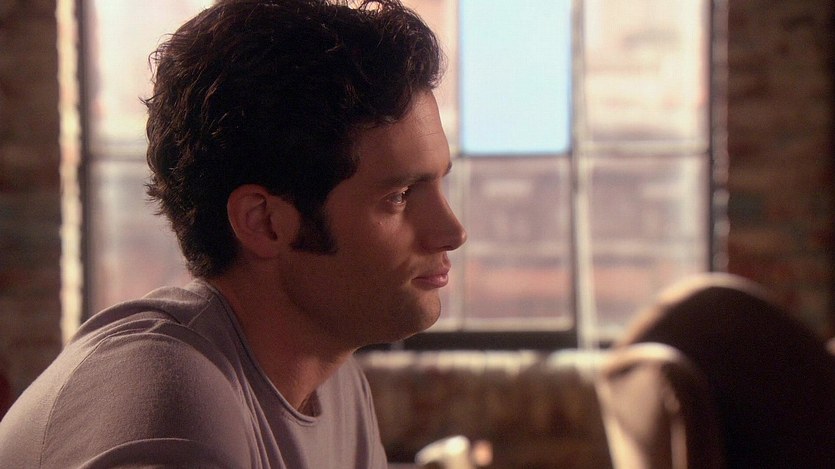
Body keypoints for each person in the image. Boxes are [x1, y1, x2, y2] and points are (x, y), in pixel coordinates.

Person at [0, 0, 466, 467]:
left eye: (439, 183)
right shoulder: (169, 404)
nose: (452, 231)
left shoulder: (334, 383)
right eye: (400, 196)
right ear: (263, 222)